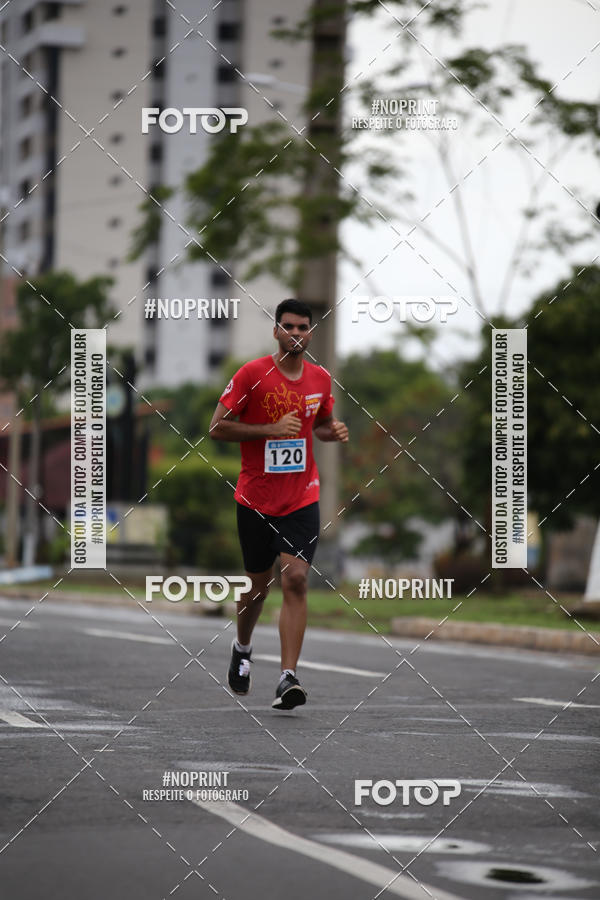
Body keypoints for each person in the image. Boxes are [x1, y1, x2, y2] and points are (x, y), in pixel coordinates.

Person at [209, 298, 349, 710]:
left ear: (311, 333)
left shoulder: (321, 379)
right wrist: (270, 429)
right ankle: (243, 646)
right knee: (256, 587)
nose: (296, 333)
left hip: (302, 496)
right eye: (288, 326)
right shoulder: (253, 374)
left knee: (296, 578)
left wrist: (332, 430)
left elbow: (319, 425)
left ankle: (288, 676)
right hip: (255, 498)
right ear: (276, 331)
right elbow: (216, 428)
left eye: (303, 327)